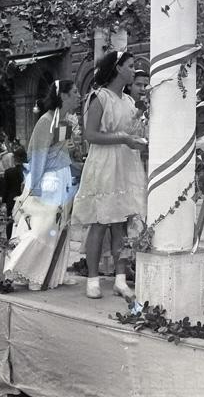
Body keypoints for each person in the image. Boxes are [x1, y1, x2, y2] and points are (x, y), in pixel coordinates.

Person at [71, 50, 147, 299]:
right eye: (130, 66)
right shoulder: (99, 97)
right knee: (100, 222)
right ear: (117, 68)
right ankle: (93, 278)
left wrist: (137, 135)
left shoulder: (129, 101)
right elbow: (90, 134)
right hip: (105, 163)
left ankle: (120, 279)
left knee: (121, 223)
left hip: (126, 163)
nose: (134, 71)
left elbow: (132, 131)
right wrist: (122, 138)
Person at [4, 80, 81, 290]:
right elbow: (37, 155)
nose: (79, 95)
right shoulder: (46, 121)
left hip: (63, 178)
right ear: (63, 95)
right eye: (75, 92)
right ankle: (25, 272)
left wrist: (73, 156)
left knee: (58, 226)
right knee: (40, 227)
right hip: (46, 180)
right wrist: (36, 184)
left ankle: (50, 275)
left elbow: (61, 151)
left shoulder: (64, 121)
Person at [0, 145, 27, 239]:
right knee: (23, 221)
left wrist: (4, 202)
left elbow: (5, 189)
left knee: (10, 221)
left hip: (11, 200)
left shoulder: (9, 172)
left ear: (15, 159)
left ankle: (9, 239)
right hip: (25, 200)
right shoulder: (28, 171)